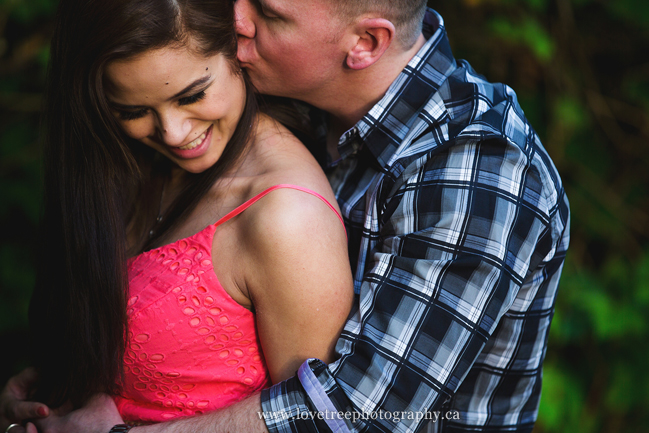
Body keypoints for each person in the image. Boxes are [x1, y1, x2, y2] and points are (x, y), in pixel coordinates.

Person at [1, 0, 571, 432]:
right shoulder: (308, 116)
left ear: (366, 43)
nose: (235, 17)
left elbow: (361, 413)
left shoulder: (480, 173)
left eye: (269, 13)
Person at [0, 0, 355, 431]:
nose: (173, 132)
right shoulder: (131, 165)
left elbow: (316, 421)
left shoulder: (286, 218)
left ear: (237, 53)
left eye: (192, 95)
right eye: (133, 110)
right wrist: (54, 397)